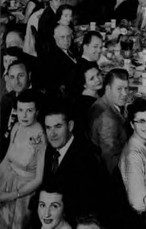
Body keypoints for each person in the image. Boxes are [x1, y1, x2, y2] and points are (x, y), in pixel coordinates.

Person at [42, 103, 109, 226]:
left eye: (58, 126)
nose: (52, 134)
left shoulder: (88, 158)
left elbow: (91, 207)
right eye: (48, 127)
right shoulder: (51, 149)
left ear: (70, 126)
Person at [0, 89, 46, 228]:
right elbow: (7, 159)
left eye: (29, 110)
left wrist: (13, 195)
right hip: (6, 182)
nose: (24, 115)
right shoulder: (16, 127)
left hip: (24, 193)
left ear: (37, 112)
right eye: (20, 110)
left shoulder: (40, 137)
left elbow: (39, 179)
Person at [119, 98, 146, 215]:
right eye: (141, 121)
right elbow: (138, 204)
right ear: (132, 125)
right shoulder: (133, 157)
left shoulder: (144, 142)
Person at [88, 68, 129, 174]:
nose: (125, 94)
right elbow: (111, 162)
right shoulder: (108, 121)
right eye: (119, 89)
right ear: (108, 88)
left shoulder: (102, 101)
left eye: (126, 88)